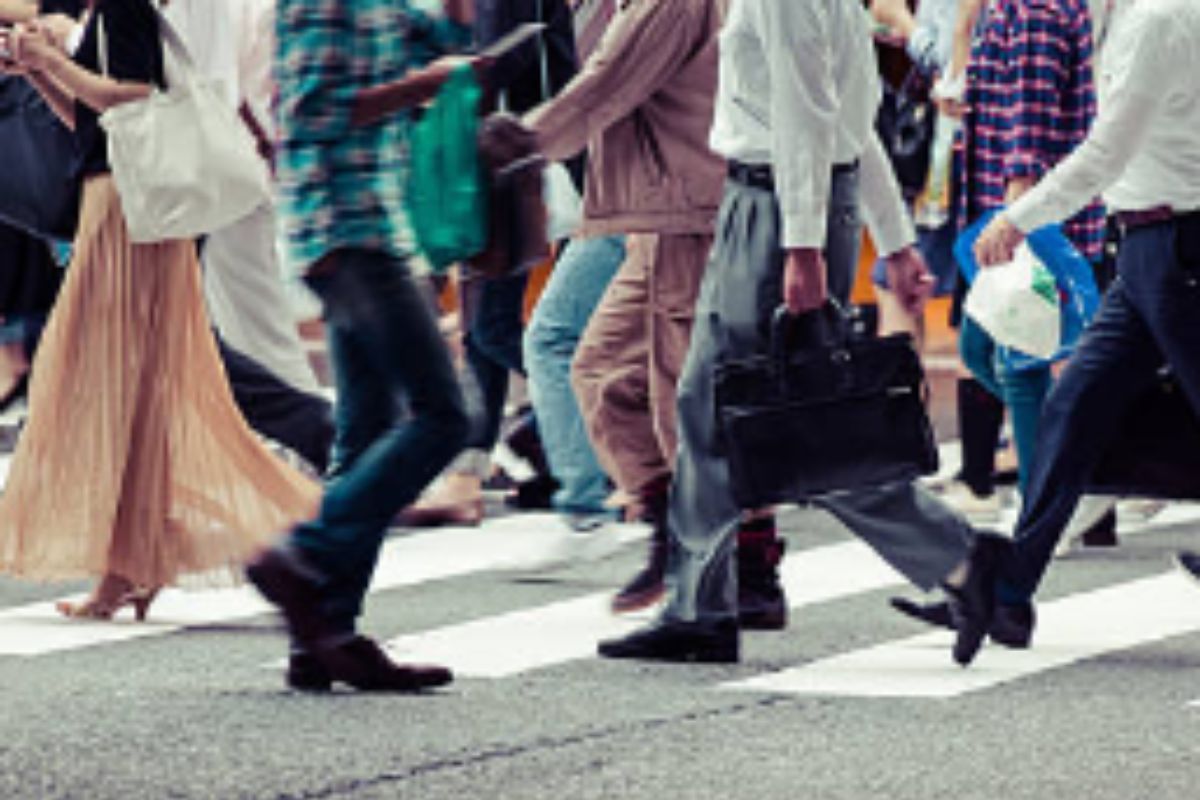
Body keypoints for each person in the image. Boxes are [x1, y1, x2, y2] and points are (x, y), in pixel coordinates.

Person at [596, 0, 995, 665]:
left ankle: (962, 559)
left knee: (780, 418)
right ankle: (701, 606)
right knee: (730, 409)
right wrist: (892, 241)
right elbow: (851, 122)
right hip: (789, 205)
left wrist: (802, 246)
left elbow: (804, 117)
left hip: (773, 208)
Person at [0, 0, 320, 618]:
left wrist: (50, 61)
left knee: (110, 387)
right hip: (115, 202)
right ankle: (128, 566)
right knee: (133, 396)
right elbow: (93, 126)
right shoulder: (105, 11)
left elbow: (131, 96)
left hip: (127, 212)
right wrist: (37, 71)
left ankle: (299, 519)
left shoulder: (123, 5)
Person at [524, 0, 798, 620]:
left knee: (693, 399)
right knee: (602, 371)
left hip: (692, 207)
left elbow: (606, 84)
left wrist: (518, 142)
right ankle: (682, 539)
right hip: (654, 211)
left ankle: (728, 573)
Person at [951, 0, 1200, 666]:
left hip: (1181, 244)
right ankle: (1006, 591)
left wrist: (1019, 218)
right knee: (1072, 408)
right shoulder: (1111, 20)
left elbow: (1106, 150)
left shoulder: (1158, 20)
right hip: (1146, 246)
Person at [244, 0, 480, 693]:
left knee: (366, 431)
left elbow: (436, 40)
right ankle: (305, 556)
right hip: (346, 232)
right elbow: (311, 115)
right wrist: (424, 84)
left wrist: (453, 33)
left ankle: (323, 639)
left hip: (374, 224)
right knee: (445, 417)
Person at [406, 0, 580, 526]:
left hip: (517, 166)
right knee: (488, 328)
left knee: (494, 328)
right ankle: (469, 472)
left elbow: (501, 60)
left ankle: (612, 426)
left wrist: (428, 85)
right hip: (522, 161)